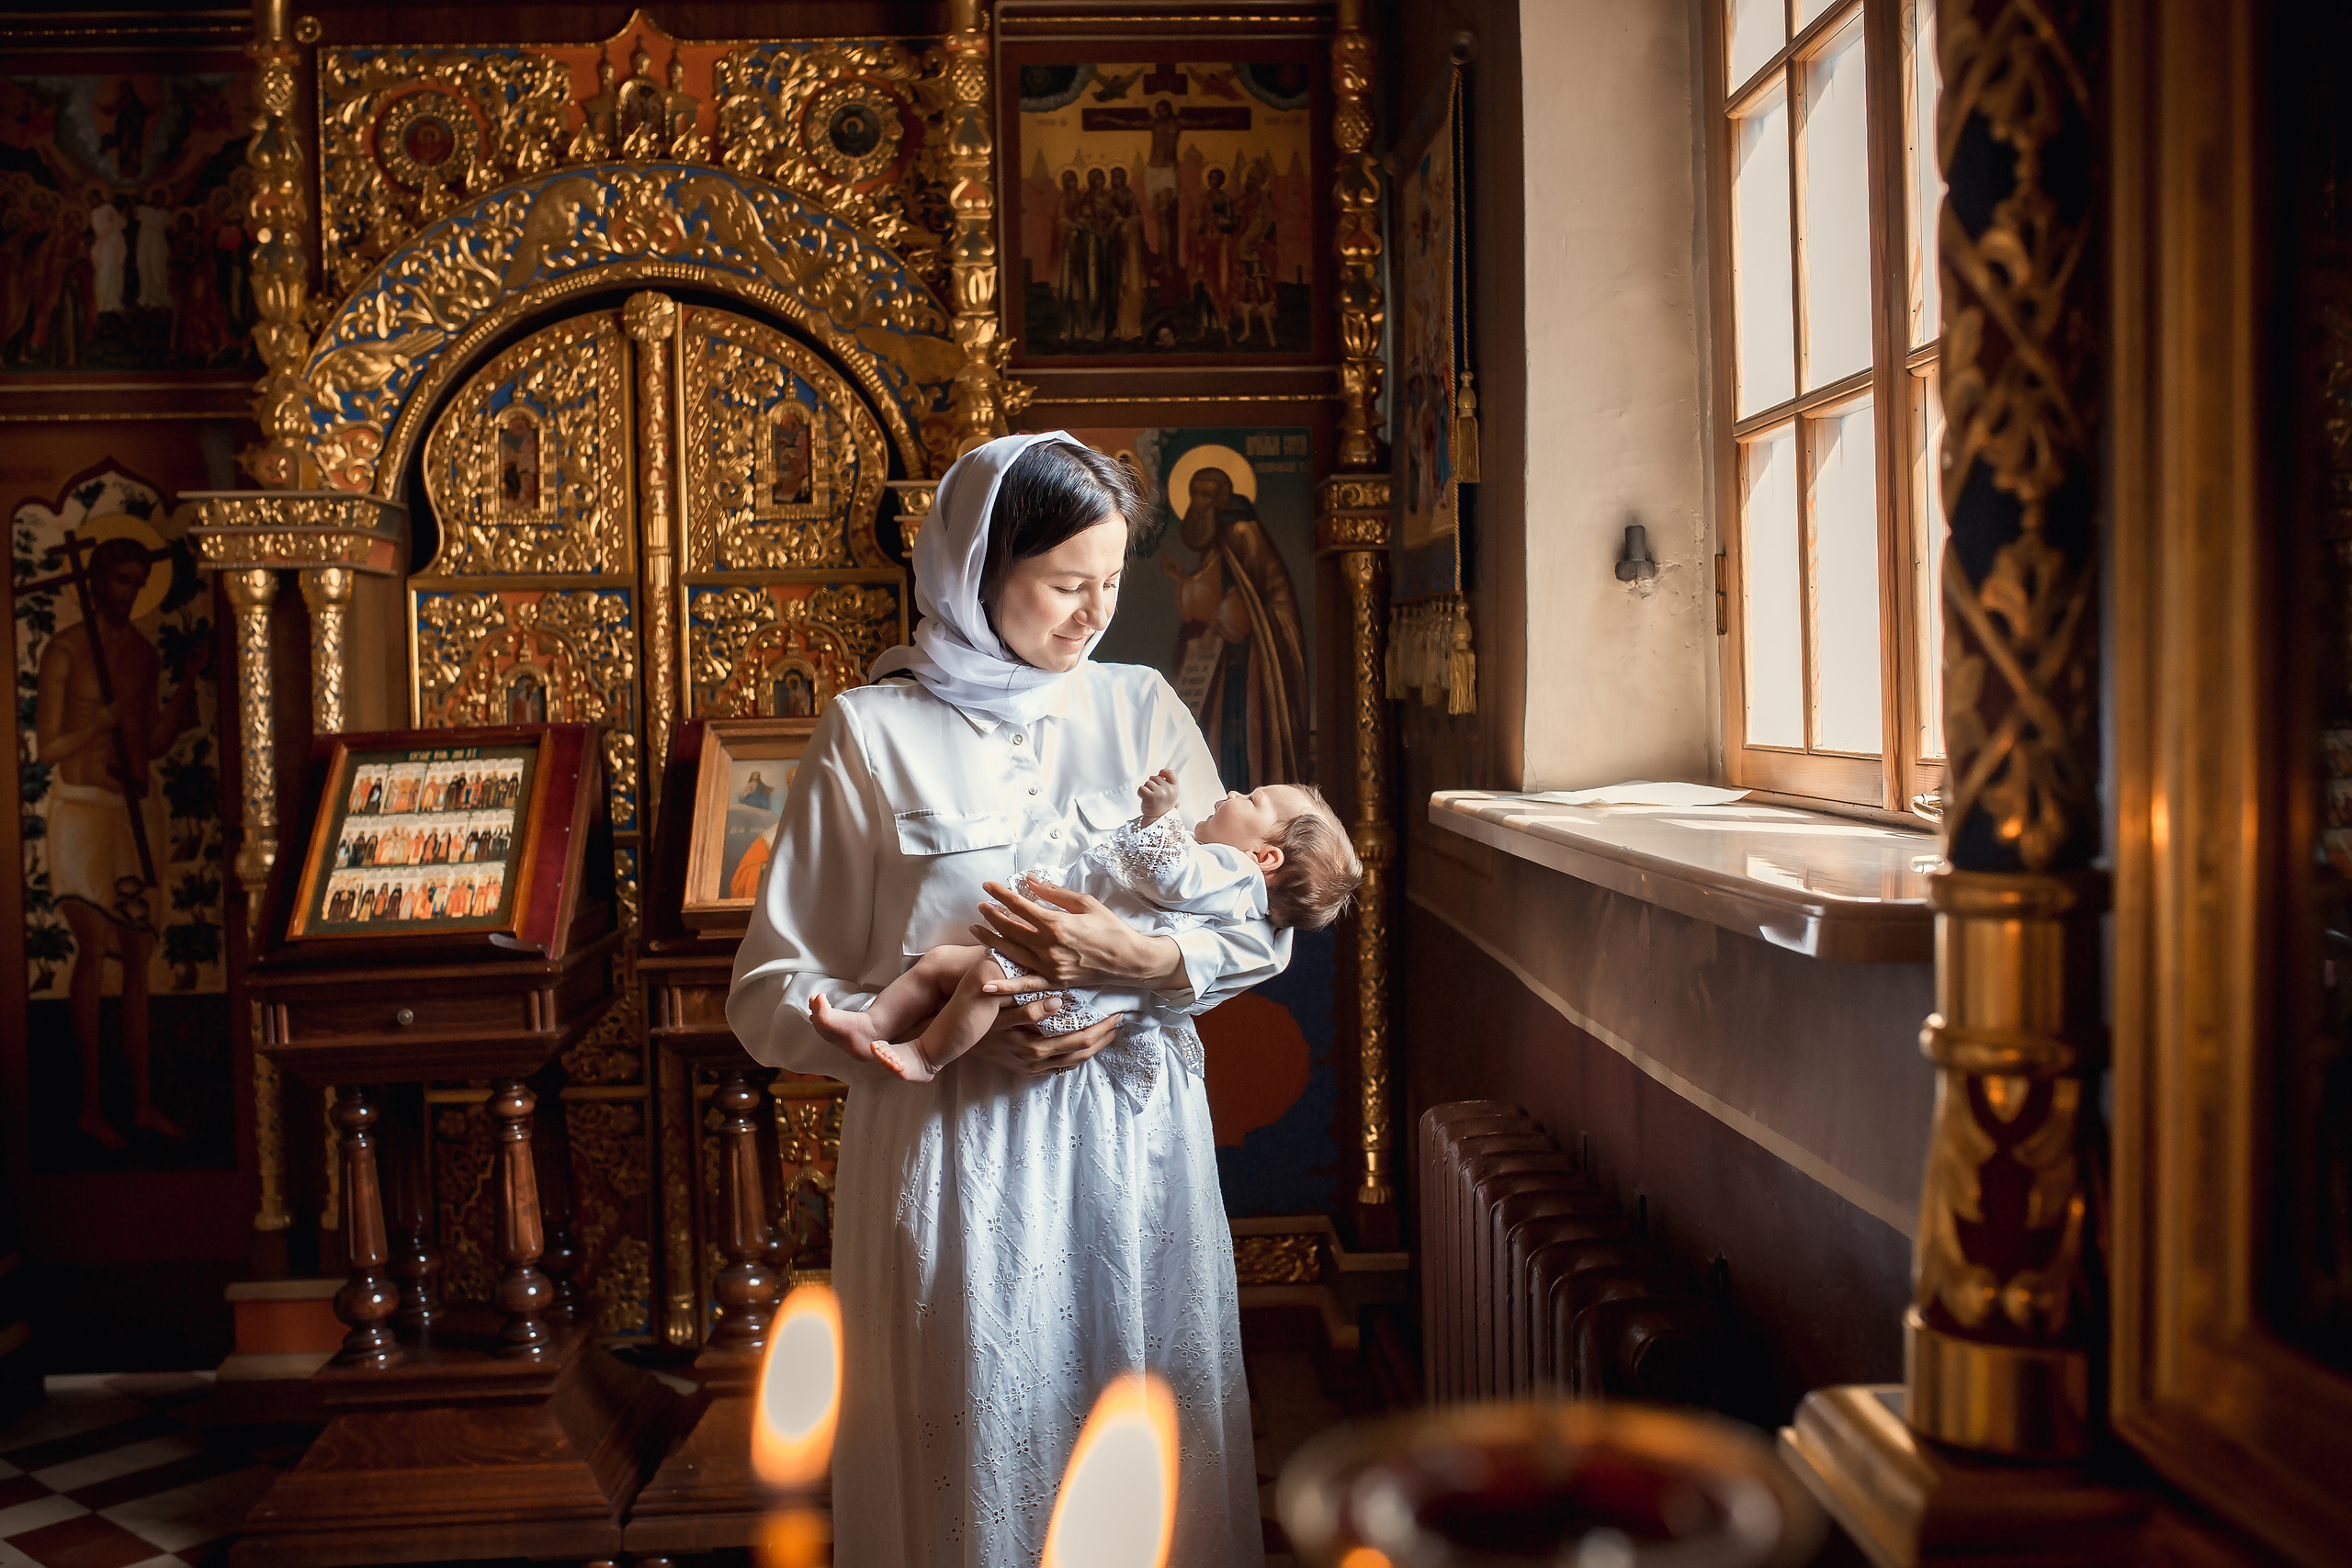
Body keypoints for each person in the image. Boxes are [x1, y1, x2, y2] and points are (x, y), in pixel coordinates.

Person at [728, 433, 1282, 1568]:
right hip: (955, 1162)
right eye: (1066, 584)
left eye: (1114, 584)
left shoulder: (1142, 710)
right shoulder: (870, 733)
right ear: (977, 568)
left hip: (1136, 1164)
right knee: (975, 1455)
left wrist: (1138, 972)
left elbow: (1246, 921)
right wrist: (949, 1026)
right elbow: (771, 995)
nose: (1094, 616)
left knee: (1143, 1444)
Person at [814, 767, 1360, 1085]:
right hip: (1073, 975)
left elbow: (1169, 874)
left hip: (1070, 985)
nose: (1235, 793)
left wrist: (1160, 816)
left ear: (1264, 859)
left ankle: (927, 1056)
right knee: (940, 967)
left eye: (1253, 800)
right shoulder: (1235, 889)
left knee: (979, 979)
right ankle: (871, 1025)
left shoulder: (1231, 873)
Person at [34, 534, 198, 1150]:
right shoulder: (65, 651)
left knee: (136, 954)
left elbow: (151, 742)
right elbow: (48, 748)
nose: (128, 593)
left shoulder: (143, 655)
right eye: (121, 580)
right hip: (80, 810)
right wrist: (93, 726)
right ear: (99, 582)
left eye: (137, 581)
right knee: (92, 944)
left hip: (135, 810)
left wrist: (187, 682)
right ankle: (89, 1106)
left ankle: (143, 1103)